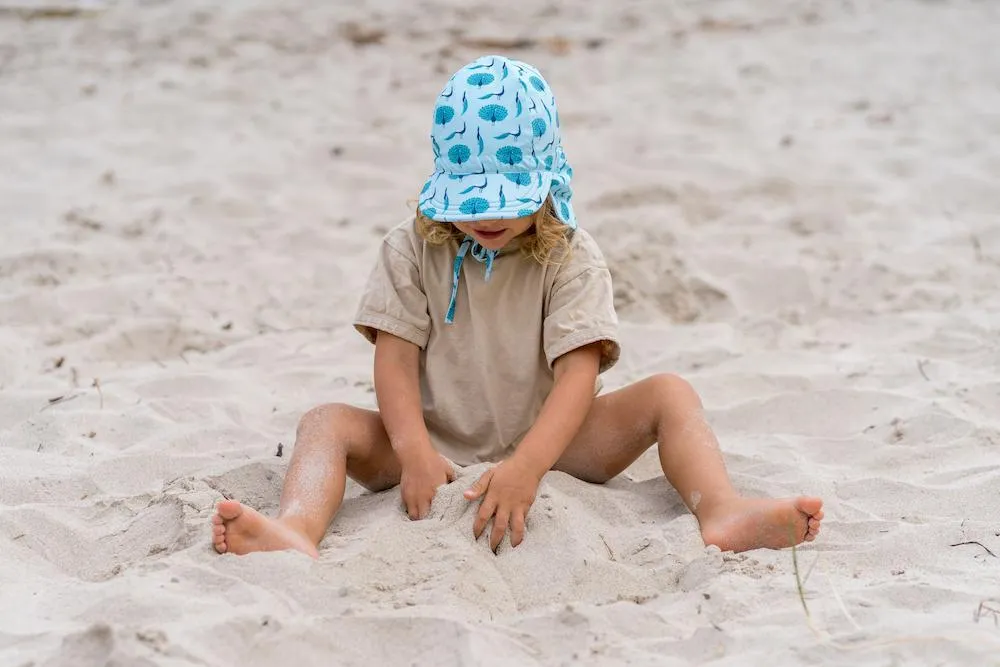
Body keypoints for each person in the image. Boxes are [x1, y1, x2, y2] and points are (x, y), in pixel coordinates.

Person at [211, 55, 823, 558]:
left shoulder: (572, 257)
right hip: (434, 443)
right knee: (325, 421)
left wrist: (530, 466)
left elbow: (578, 374)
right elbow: (394, 361)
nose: (486, 216)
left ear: (546, 181)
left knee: (669, 394)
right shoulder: (409, 247)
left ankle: (721, 510)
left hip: (556, 440)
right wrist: (415, 451)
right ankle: (295, 528)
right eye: (469, 200)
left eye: (506, 198)